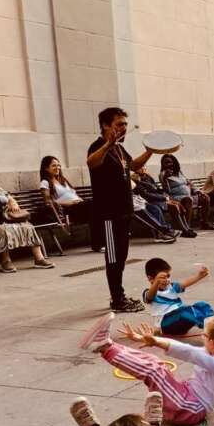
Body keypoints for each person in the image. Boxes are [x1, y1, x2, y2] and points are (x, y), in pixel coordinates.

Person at [80, 311, 214, 424]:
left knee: (155, 371)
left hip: (190, 408)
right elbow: (183, 347)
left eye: (204, 336)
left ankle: (104, 347)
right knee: (156, 364)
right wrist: (144, 339)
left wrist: (155, 341)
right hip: (187, 398)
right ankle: (107, 344)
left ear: (213, 342)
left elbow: (188, 351)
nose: (203, 339)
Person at [87, 108, 154, 312]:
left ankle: (120, 296)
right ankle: (117, 300)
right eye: (119, 124)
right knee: (114, 257)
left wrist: (152, 150)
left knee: (121, 256)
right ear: (106, 126)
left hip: (124, 211)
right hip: (108, 213)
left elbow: (133, 165)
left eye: (125, 124)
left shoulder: (120, 149)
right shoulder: (98, 146)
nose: (124, 128)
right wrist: (108, 144)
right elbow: (91, 162)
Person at [39, 155, 99, 250]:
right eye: (54, 166)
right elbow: (48, 201)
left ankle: (101, 242)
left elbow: (73, 194)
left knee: (98, 206)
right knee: (94, 206)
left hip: (78, 207)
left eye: (58, 165)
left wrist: (79, 200)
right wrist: (67, 203)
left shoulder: (63, 180)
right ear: (46, 168)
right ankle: (98, 244)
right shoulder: (45, 182)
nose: (57, 168)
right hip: (67, 211)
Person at [142, 258, 214, 336]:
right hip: (166, 324)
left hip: (180, 319)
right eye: (162, 278)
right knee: (185, 311)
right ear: (150, 279)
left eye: (168, 276)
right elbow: (150, 296)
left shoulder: (171, 287)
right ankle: (211, 329)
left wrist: (199, 276)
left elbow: (184, 284)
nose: (166, 280)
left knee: (202, 305)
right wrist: (156, 282)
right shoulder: (149, 292)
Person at [160, 154, 212, 230]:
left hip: (189, 195)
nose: (169, 164)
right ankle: (187, 227)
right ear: (163, 164)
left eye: (170, 162)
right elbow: (166, 190)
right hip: (176, 198)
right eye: (166, 163)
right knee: (188, 200)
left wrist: (197, 190)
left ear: (174, 162)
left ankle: (205, 222)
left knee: (205, 197)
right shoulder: (163, 174)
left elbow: (188, 182)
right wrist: (165, 178)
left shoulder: (179, 172)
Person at [132, 171, 184, 241]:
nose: (143, 168)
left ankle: (164, 233)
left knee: (156, 209)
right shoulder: (134, 178)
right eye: (141, 166)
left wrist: (164, 195)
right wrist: (163, 198)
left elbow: (156, 189)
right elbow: (145, 193)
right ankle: (166, 231)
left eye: (144, 166)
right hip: (142, 201)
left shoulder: (147, 177)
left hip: (143, 201)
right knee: (152, 209)